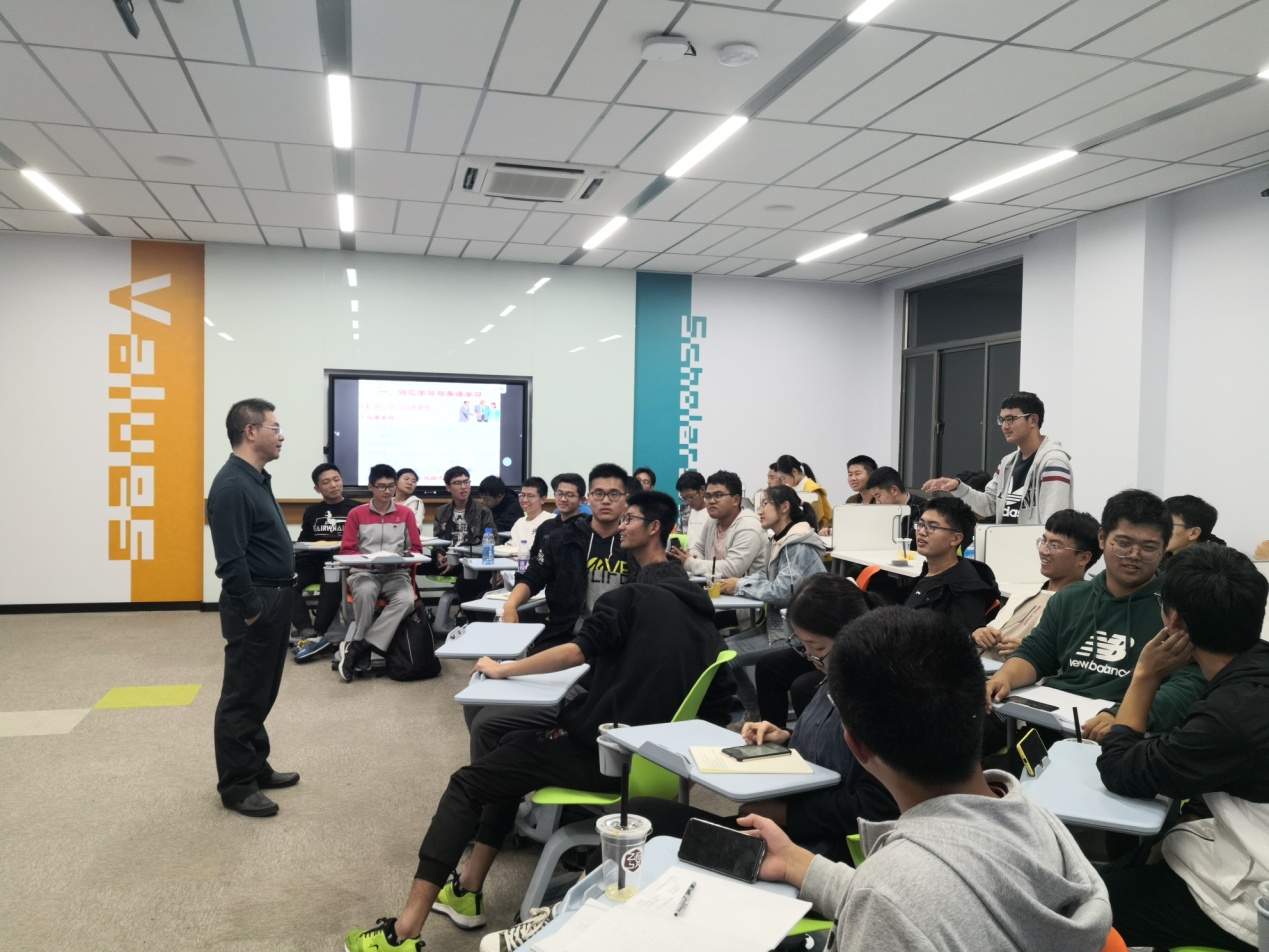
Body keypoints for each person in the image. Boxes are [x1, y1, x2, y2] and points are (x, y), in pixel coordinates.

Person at [343, 493, 735, 952]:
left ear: (652, 531)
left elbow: (576, 652)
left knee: (468, 783)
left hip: (600, 753)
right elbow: (717, 708)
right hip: (654, 764)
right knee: (505, 745)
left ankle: (403, 933)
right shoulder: (706, 623)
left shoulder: (628, 599)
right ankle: (466, 887)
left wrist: (505, 669)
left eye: (628, 516)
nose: (620, 523)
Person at [739, 606, 1112, 952]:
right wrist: (797, 864)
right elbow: (926, 899)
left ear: (856, 746)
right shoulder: (1037, 820)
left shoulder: (889, 895)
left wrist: (877, 889)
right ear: (980, 707)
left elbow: (897, 900)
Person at [1096, 545, 1269, 952]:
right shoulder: (1253, 672)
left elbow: (1119, 770)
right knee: (1136, 861)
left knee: (1091, 901)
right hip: (1244, 834)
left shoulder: (1230, 718)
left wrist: (1145, 675)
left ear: (1174, 620)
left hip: (1257, 893)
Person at [986, 489, 1207, 740]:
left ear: (1164, 548)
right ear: (1102, 538)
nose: (1134, 555)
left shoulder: (1177, 608)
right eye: (1123, 543)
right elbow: (1036, 654)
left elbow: (1189, 684)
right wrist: (1004, 677)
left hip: (1127, 733)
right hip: (1056, 723)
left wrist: (1124, 716)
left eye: (1149, 547)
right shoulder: (1071, 598)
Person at [206, 398, 299, 819]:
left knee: (262, 690)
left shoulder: (254, 479)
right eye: (275, 428)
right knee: (242, 695)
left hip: (275, 596)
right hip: (257, 602)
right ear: (251, 432)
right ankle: (237, 785)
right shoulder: (231, 486)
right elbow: (231, 559)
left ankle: (255, 764)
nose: (281, 436)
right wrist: (251, 610)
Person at [719, 484, 827, 719]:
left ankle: (753, 712)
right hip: (779, 626)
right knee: (717, 648)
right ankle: (753, 711)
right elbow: (768, 577)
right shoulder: (778, 540)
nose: (759, 510)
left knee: (723, 657)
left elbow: (782, 592)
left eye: (765, 504)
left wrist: (739, 586)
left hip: (798, 635)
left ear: (784, 507)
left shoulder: (796, 545)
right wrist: (740, 582)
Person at [500, 463, 631, 651]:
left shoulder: (634, 543)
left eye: (614, 494)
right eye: (598, 493)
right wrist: (511, 604)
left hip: (618, 640)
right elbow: (533, 576)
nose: (605, 500)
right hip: (566, 633)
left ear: (625, 500)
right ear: (589, 499)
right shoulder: (562, 538)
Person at [923, 391, 1073, 525]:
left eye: (1010, 419)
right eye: (1002, 420)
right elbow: (988, 505)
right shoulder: (1007, 463)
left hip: (1034, 546)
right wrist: (958, 487)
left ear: (1033, 420)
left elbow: (1054, 522)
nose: (1004, 426)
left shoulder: (1053, 462)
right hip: (1004, 543)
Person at [973, 509, 1100, 663]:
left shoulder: (1084, 605)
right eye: (1043, 541)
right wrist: (979, 633)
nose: (1043, 550)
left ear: (1083, 558)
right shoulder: (1024, 592)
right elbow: (990, 630)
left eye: (1055, 545)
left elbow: (1074, 660)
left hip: (1012, 672)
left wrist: (1034, 652)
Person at [337, 464, 424, 682]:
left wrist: (399, 559)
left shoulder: (406, 514)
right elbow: (347, 551)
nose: (387, 491)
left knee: (407, 600)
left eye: (391, 486)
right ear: (370, 487)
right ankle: (363, 646)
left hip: (396, 574)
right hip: (364, 573)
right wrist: (371, 563)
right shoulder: (356, 514)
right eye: (381, 486)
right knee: (366, 592)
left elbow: (416, 549)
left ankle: (359, 647)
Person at [897, 496, 1000, 634]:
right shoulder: (929, 572)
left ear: (956, 539)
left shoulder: (965, 589)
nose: (921, 532)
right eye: (920, 524)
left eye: (932, 527)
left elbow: (958, 640)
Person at [290, 463, 359, 663]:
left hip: (338, 560)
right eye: (326, 482)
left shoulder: (356, 508)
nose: (333, 485)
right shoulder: (312, 511)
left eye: (336, 479)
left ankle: (317, 634)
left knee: (331, 582)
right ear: (317, 488)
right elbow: (304, 539)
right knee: (286, 581)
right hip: (311, 559)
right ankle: (307, 632)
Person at [673, 470, 768, 581]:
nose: (711, 501)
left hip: (745, 591)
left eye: (718, 495)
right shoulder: (712, 520)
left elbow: (732, 569)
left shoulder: (749, 526)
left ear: (736, 500)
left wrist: (690, 563)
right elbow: (699, 549)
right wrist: (690, 556)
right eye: (708, 496)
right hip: (715, 587)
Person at [432, 466, 496, 606]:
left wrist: (457, 559)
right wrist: (439, 554)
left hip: (471, 561)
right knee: (413, 566)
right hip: (447, 560)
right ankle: (417, 610)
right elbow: (437, 540)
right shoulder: (442, 511)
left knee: (464, 582)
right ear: (448, 487)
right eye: (458, 483)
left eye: (466, 482)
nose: (463, 487)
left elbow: (491, 542)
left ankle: (469, 615)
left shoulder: (483, 511)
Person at [862, 466, 924, 536]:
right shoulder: (883, 511)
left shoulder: (922, 509)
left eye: (878, 496)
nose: (877, 502)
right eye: (875, 498)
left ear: (894, 490)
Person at [774, 454, 831, 529]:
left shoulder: (812, 490)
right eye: (781, 479)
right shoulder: (791, 488)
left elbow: (819, 519)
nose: (783, 482)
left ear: (794, 471)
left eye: (783, 478)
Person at [1164, 493, 1222, 559]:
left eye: (1168, 524)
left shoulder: (1212, 564)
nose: (1160, 530)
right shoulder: (1160, 559)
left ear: (1194, 533)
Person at [507, 476, 553, 549]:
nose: (525, 500)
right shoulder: (519, 522)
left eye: (530, 496)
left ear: (543, 499)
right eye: (522, 495)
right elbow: (510, 547)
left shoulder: (551, 520)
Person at [673, 470, 710, 549]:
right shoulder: (685, 513)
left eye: (689, 497)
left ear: (702, 490)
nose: (687, 502)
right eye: (683, 498)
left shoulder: (714, 514)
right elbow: (679, 537)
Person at [393, 467, 426, 535]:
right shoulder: (388, 501)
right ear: (396, 481)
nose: (410, 483)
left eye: (414, 481)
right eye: (406, 479)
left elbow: (416, 528)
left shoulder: (415, 501)